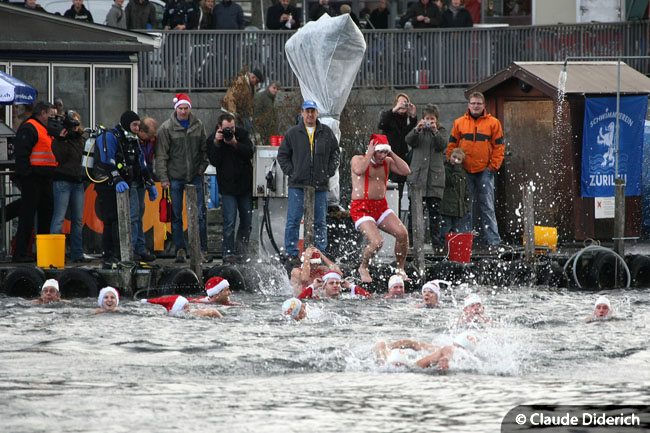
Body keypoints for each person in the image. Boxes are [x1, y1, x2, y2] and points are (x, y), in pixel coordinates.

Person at [277, 100, 340, 260]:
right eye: (307, 111)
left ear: (317, 113)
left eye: (313, 111)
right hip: (297, 184)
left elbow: (335, 153)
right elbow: (282, 155)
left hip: (320, 184)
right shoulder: (293, 133)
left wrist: (329, 171)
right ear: (302, 113)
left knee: (320, 221)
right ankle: (291, 254)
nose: (310, 114)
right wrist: (292, 172)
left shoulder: (326, 132)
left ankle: (319, 253)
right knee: (293, 220)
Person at [155, 93, 210, 264]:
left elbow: (204, 150)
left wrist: (201, 169)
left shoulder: (198, 125)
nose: (184, 111)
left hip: (194, 175)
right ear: (176, 108)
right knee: (176, 215)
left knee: (199, 214)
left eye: (186, 108)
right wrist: (164, 178)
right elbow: (161, 155)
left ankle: (201, 249)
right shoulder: (166, 128)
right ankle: (180, 248)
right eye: (181, 108)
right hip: (175, 177)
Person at [350, 134, 411, 283]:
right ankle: (363, 267)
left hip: (381, 206)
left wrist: (391, 153)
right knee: (377, 241)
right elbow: (359, 170)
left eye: (385, 152)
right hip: (361, 207)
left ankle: (400, 269)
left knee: (402, 233)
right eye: (380, 152)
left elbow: (406, 171)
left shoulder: (388, 161)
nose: (382, 156)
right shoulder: (358, 159)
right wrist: (370, 152)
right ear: (372, 149)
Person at [447, 92, 504, 248]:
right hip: (464, 170)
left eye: (479, 103)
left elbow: (499, 147)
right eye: (473, 103)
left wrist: (493, 166)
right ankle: (465, 241)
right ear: (468, 105)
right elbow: (451, 145)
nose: (476, 106)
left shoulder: (494, 123)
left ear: (484, 105)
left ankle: (494, 242)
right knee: (465, 207)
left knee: (487, 206)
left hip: (485, 170)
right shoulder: (459, 123)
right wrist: (451, 161)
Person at [94, 111, 149, 263]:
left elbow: (140, 162)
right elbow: (107, 160)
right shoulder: (111, 137)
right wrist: (117, 178)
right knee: (110, 219)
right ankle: (109, 253)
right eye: (134, 125)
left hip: (124, 184)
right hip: (107, 184)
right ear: (126, 124)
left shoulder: (132, 140)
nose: (137, 128)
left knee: (127, 218)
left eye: (139, 125)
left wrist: (149, 182)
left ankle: (123, 252)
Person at [13, 101, 58, 263]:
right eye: (51, 115)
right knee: (28, 215)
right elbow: (21, 154)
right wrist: (27, 174)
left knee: (46, 215)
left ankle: (42, 252)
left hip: (45, 178)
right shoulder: (30, 127)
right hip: (33, 178)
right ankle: (20, 253)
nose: (52, 118)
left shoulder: (45, 129)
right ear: (43, 113)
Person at [207, 113, 254, 262]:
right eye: (227, 129)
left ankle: (241, 252)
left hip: (244, 186)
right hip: (227, 187)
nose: (230, 131)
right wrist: (216, 143)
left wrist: (235, 143)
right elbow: (214, 161)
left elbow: (249, 153)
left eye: (232, 128)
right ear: (220, 127)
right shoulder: (214, 139)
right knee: (229, 221)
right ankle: (228, 252)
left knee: (246, 221)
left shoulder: (242, 134)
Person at [405, 103, 446, 249]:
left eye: (432, 119)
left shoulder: (441, 131)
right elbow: (408, 141)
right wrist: (416, 129)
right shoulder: (418, 131)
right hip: (417, 180)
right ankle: (412, 243)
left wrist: (435, 131)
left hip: (434, 181)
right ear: (422, 118)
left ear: (437, 120)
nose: (429, 121)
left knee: (435, 214)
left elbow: (442, 145)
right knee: (415, 214)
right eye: (427, 118)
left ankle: (437, 245)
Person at [50, 110, 88, 263]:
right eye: (73, 124)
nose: (75, 128)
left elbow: (84, 157)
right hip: (63, 180)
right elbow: (61, 157)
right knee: (59, 218)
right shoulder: (59, 140)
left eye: (77, 124)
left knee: (78, 219)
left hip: (77, 181)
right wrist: (61, 139)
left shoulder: (81, 139)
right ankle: (54, 255)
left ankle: (77, 253)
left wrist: (79, 136)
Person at [377, 93, 417, 212]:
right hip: (386, 156)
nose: (403, 105)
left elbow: (407, 132)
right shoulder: (389, 116)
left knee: (397, 192)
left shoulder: (405, 120)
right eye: (401, 102)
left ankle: (396, 214)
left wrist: (413, 116)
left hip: (400, 157)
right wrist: (395, 109)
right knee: (385, 189)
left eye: (405, 103)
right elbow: (381, 124)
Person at [130, 117, 159, 262]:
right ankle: (132, 249)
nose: (152, 139)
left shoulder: (147, 142)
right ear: (141, 131)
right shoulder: (134, 141)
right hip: (133, 181)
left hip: (142, 180)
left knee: (140, 216)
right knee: (134, 216)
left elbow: (145, 164)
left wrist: (149, 181)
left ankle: (140, 248)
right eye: (150, 135)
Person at [374, 331, 477, 370]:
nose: (456, 348)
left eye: (459, 347)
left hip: (414, 367)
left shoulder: (454, 352)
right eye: (456, 345)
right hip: (414, 366)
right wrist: (391, 345)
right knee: (381, 344)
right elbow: (413, 343)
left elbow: (448, 350)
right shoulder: (440, 348)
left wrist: (445, 358)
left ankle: (383, 362)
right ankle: (383, 362)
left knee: (380, 344)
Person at [222, 68, 265, 136]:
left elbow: (249, 102)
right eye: (257, 82)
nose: (257, 84)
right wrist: (232, 113)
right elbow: (231, 97)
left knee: (246, 127)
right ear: (253, 77)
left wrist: (250, 115)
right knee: (232, 130)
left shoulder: (251, 86)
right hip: (230, 109)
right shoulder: (240, 81)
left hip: (240, 111)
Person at [440, 147, 471, 239]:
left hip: (458, 208)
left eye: (459, 159)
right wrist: (457, 169)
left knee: (455, 230)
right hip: (447, 207)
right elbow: (451, 181)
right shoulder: (446, 169)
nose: (456, 160)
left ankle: (451, 247)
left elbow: (465, 191)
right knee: (446, 228)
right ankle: (443, 246)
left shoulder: (463, 172)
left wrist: (465, 206)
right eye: (454, 157)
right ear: (450, 156)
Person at [142, 295, 223, 318]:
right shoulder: (193, 314)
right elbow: (213, 311)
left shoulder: (173, 315)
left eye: (188, 306)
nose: (189, 309)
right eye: (185, 307)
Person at [253, 81, 280, 147]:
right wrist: (258, 130)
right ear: (269, 87)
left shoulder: (273, 99)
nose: (275, 90)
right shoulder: (260, 96)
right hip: (262, 129)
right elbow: (256, 114)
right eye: (274, 88)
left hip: (271, 130)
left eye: (277, 89)